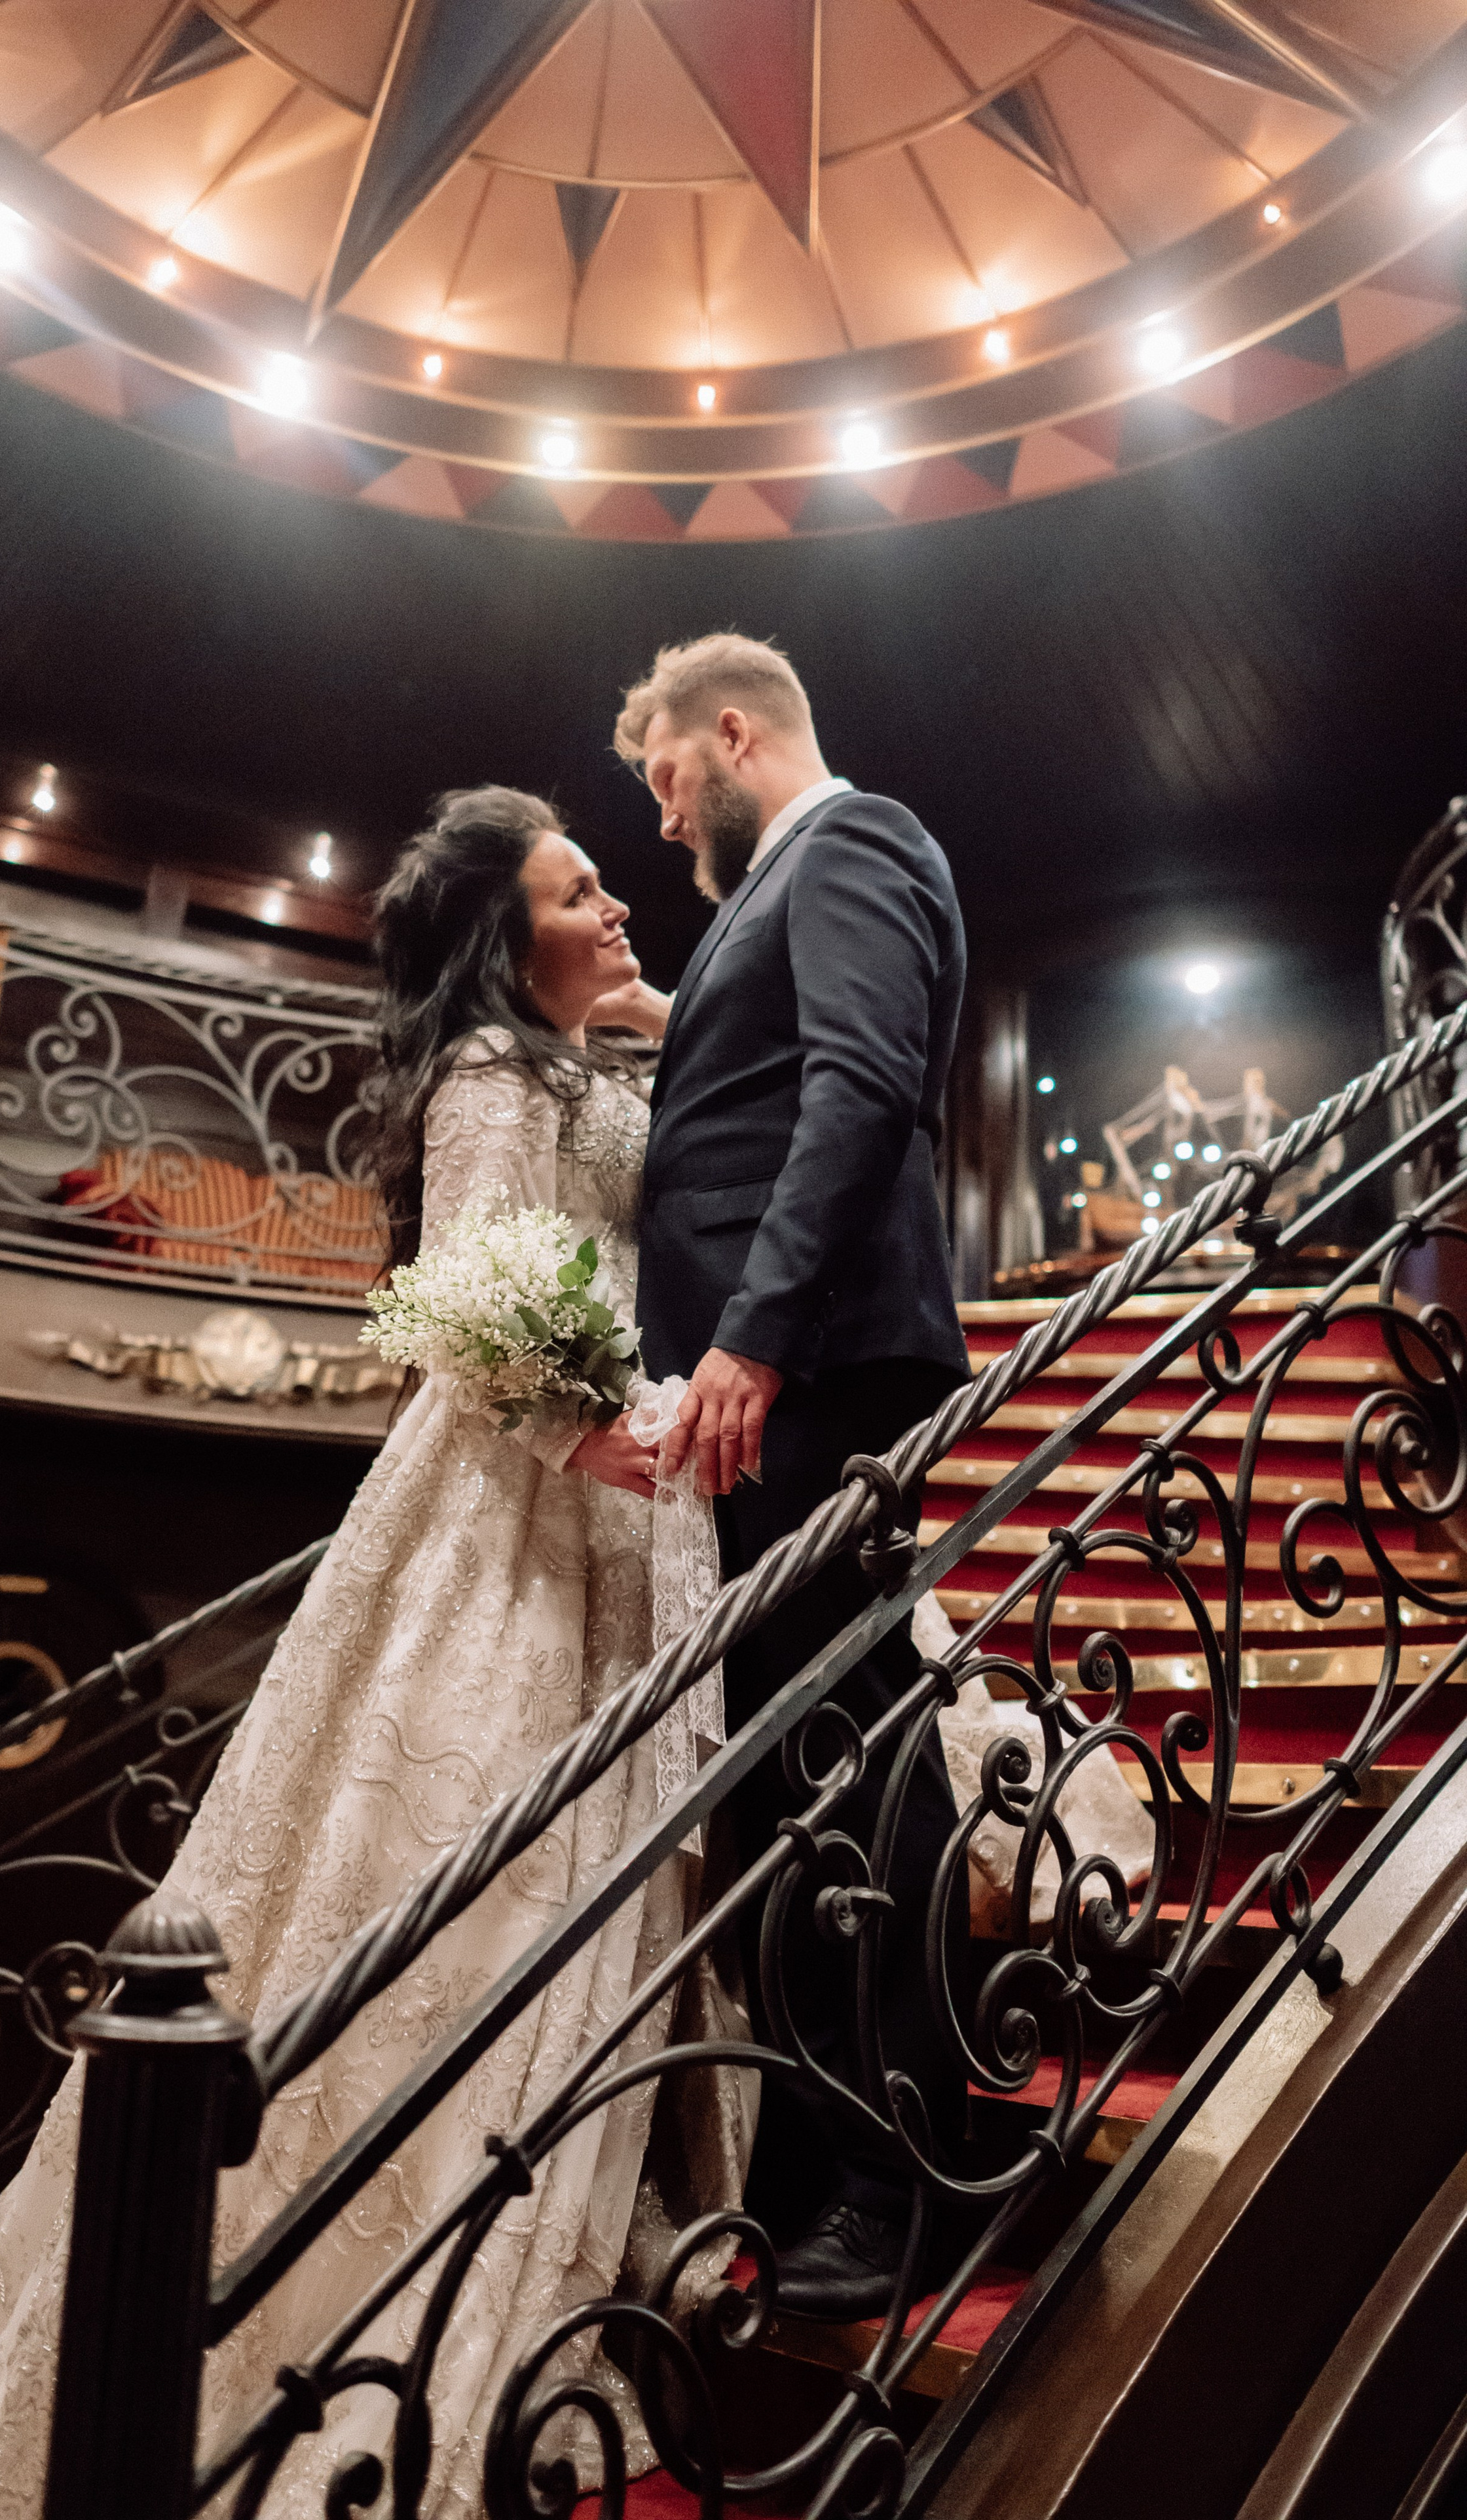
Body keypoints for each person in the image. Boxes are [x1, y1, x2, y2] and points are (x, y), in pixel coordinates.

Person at [0, 787, 745, 2520]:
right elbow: (469, 1286)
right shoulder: (486, 1075)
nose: (616, 904)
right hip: (526, 1507)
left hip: (638, 1505)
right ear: (500, 937)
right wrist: (580, 1423)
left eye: (613, 883)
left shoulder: (612, 1056)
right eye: (578, 889)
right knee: (468, 1844)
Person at [614, 633, 975, 2320]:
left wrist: (750, 1336)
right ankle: (824, 2153)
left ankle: (900, 2179)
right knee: (793, 1760)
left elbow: (859, 1083)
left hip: (813, 1373)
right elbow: (770, 1075)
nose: (663, 812)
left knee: (844, 1751)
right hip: (773, 1381)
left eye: (667, 774)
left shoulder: (856, 839)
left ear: (733, 731)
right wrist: (665, 1017)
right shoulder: (779, 891)